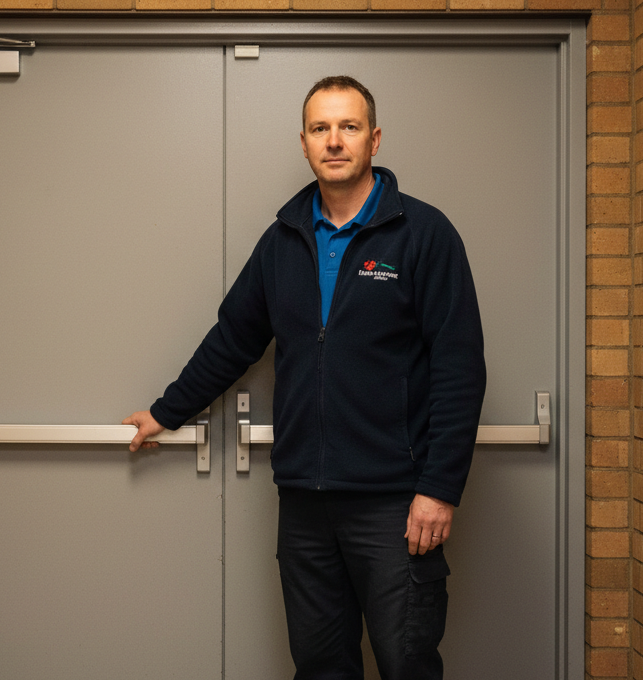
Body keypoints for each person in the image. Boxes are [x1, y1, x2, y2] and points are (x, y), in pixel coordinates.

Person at [123, 75, 486, 680]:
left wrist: (440, 489)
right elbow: (232, 339)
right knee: (320, 668)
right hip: (306, 506)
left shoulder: (424, 235)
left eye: (348, 127)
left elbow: (459, 367)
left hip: (396, 505)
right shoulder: (282, 241)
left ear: (374, 139)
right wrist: (167, 411)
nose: (334, 141)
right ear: (303, 142)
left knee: (408, 665)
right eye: (321, 128)